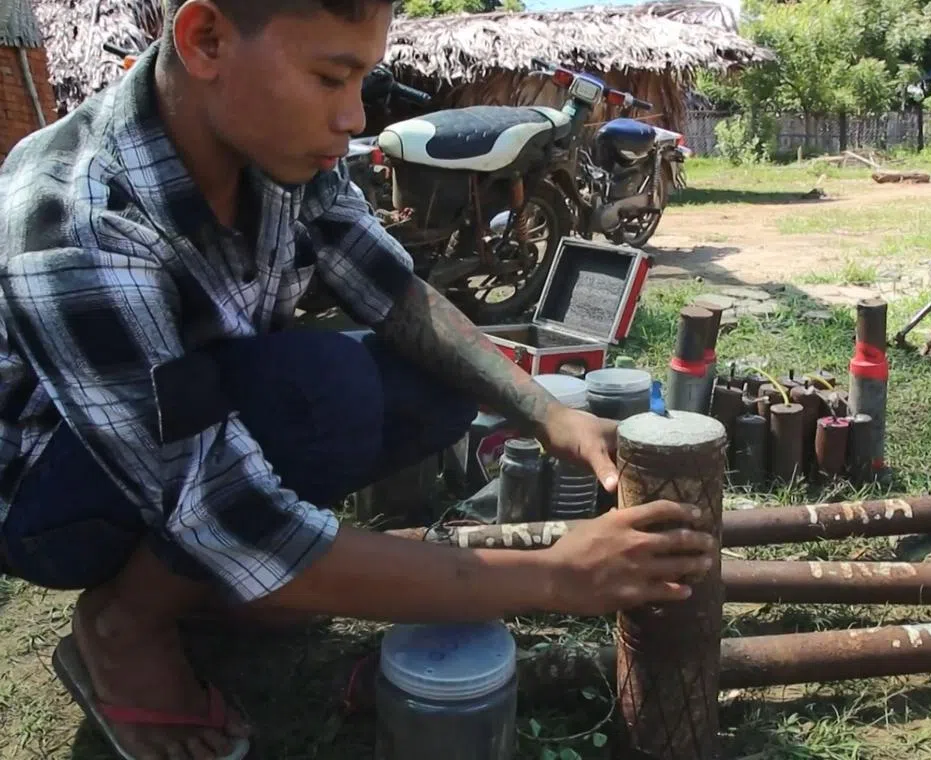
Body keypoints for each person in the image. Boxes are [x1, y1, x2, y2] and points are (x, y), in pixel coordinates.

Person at [0, 1, 718, 759]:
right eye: (329, 78)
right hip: (48, 496)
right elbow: (232, 514)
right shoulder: (75, 216)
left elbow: (395, 292)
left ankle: (205, 590)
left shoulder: (275, 148)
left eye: (362, 81)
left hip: (183, 436)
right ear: (207, 40)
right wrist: (556, 578)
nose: (351, 117)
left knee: (436, 386)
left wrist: (548, 414)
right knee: (319, 390)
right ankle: (123, 626)